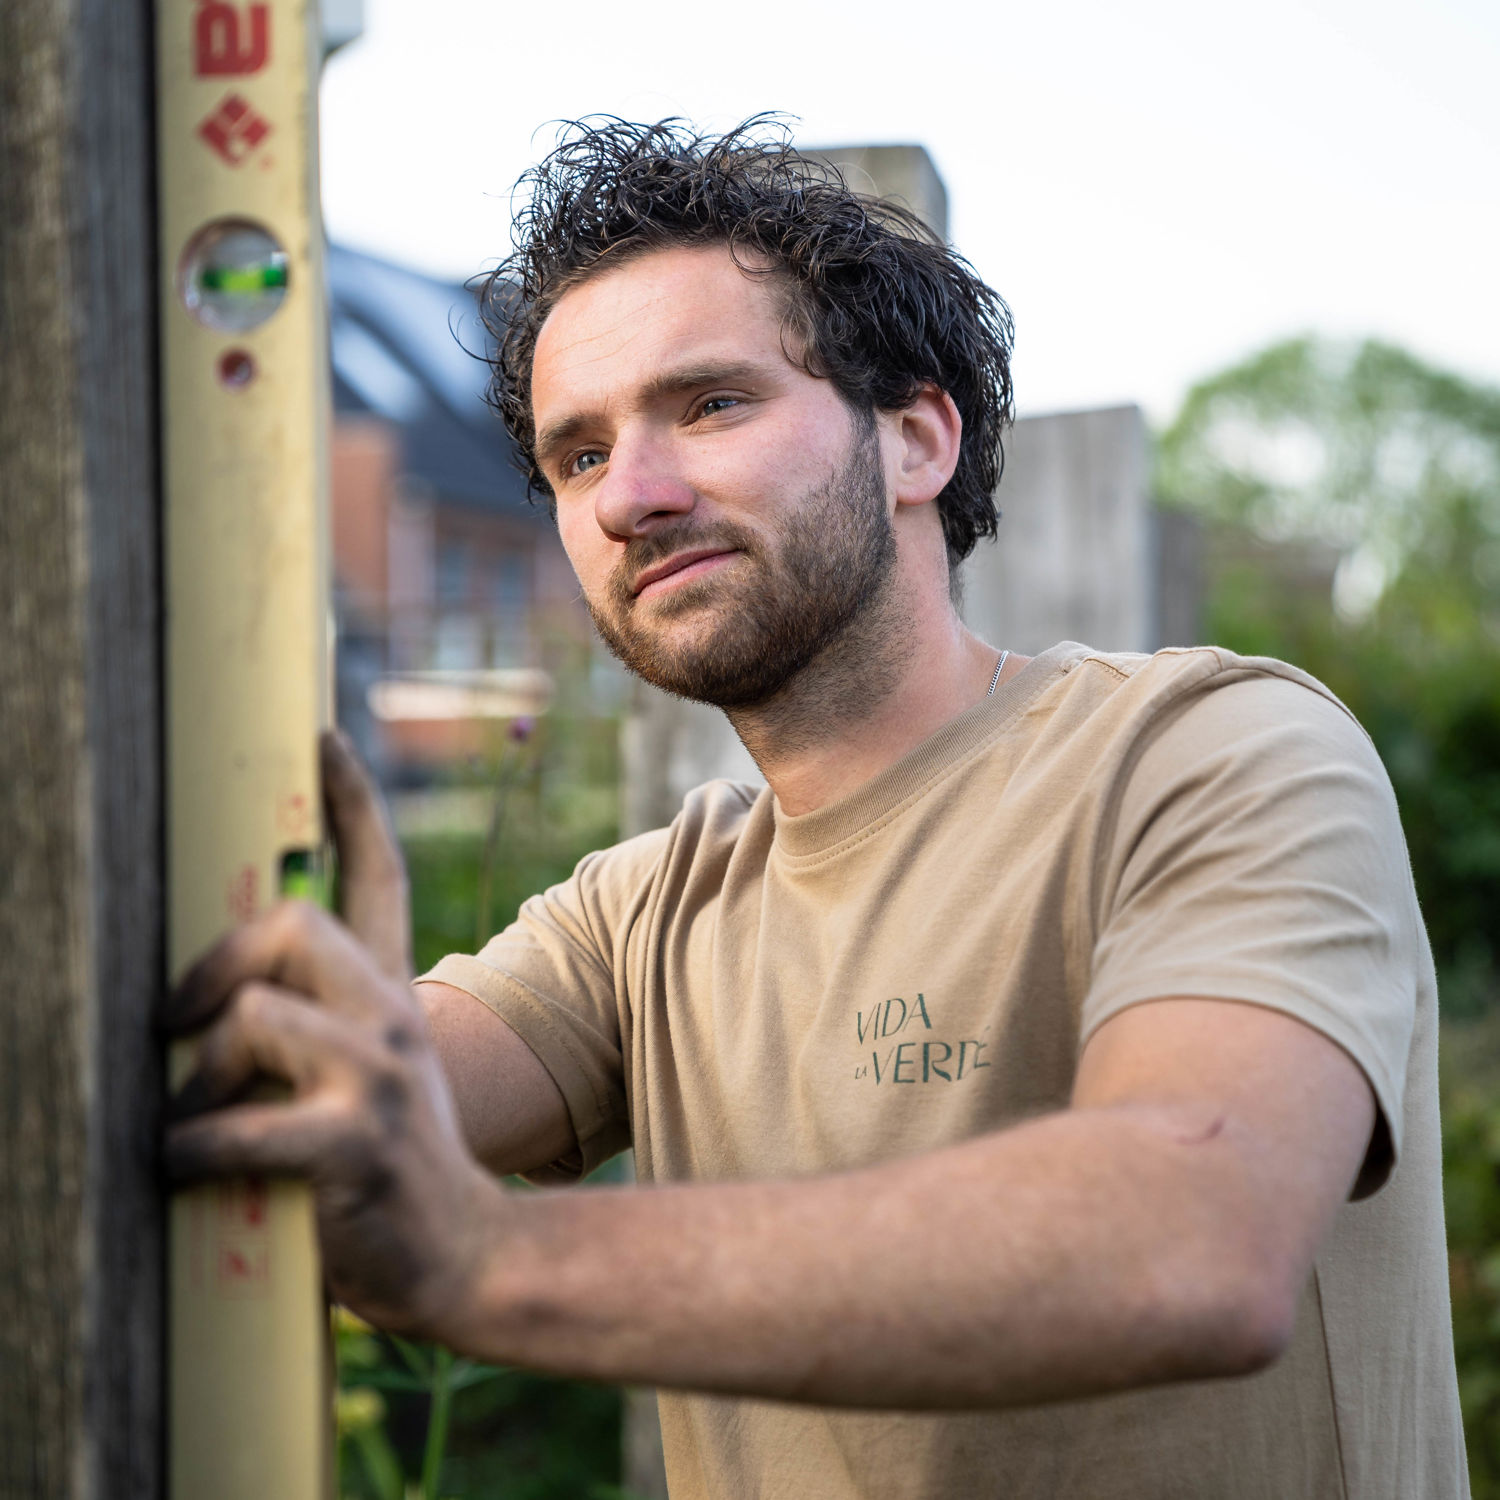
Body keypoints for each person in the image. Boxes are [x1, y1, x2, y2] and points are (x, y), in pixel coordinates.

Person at [162, 119, 1468, 1498]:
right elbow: (320, 1107)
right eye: (580, 456)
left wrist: (478, 1259)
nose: (634, 500)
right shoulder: (644, 915)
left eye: (711, 404)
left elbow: (1195, 1238)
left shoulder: (1212, 753)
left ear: (915, 439)